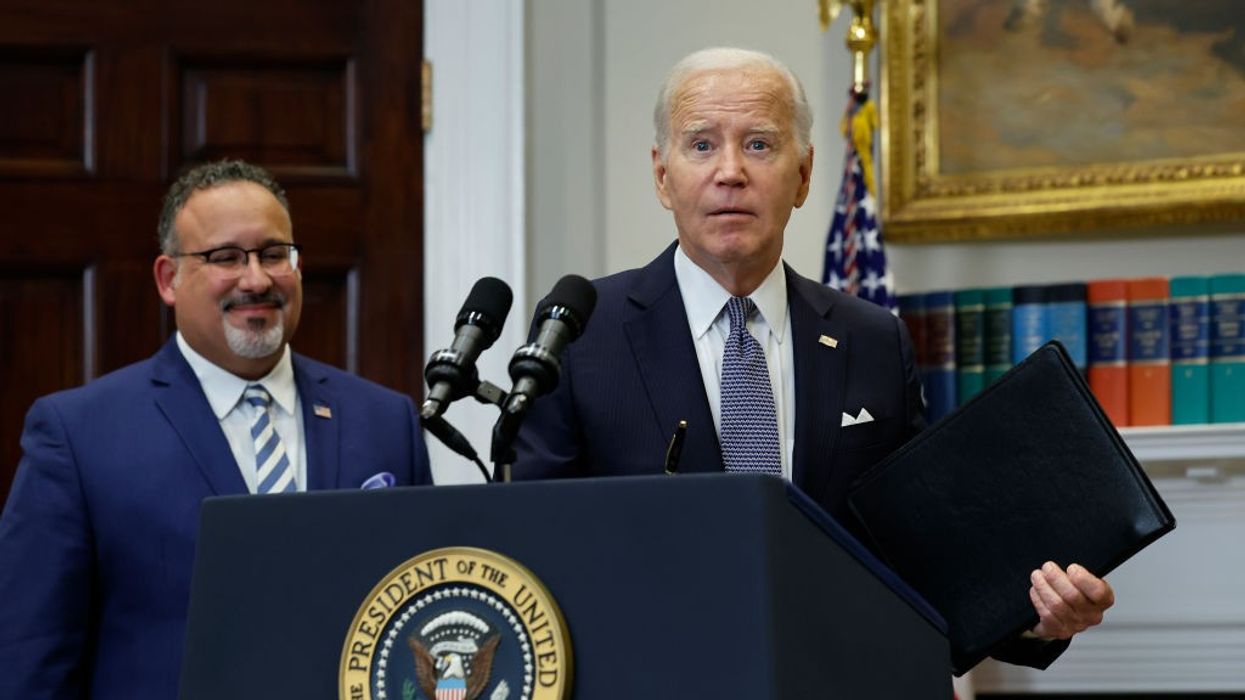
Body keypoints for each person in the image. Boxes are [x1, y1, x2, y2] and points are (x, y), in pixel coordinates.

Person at [512, 47, 1113, 668]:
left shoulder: (873, 339)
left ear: (803, 176)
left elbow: (922, 557)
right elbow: (541, 551)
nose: (730, 172)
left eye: (759, 145)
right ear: (662, 176)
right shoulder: (584, 333)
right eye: (700, 145)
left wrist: (1037, 617)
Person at [0, 160, 433, 699]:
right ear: (168, 279)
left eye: (274, 254)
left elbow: (422, 614)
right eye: (225, 258)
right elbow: (30, 660)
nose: (256, 279)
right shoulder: (79, 436)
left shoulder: (385, 421)